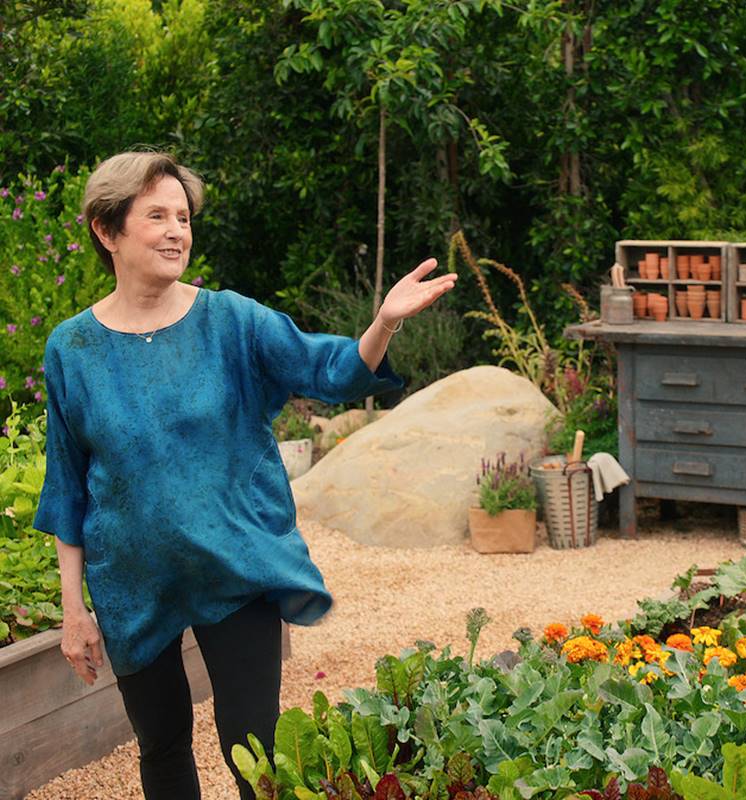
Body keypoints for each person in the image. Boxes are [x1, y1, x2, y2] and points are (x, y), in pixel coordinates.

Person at [34, 150, 457, 800]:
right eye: (157, 216)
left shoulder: (230, 320)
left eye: (184, 216)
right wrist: (74, 611)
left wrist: (383, 323)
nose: (178, 230)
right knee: (162, 743)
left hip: (237, 567)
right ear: (107, 230)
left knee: (253, 745)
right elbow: (66, 484)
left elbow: (331, 370)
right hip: (133, 584)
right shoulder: (72, 348)